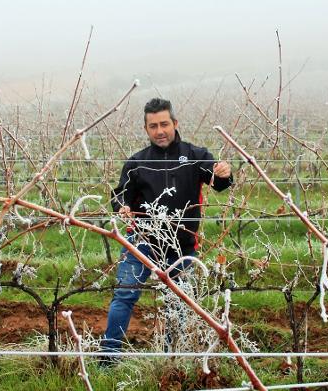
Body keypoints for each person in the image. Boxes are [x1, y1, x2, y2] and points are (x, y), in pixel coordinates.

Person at [100, 97, 233, 356]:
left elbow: (217, 181)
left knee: (179, 302)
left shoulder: (196, 155)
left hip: (181, 245)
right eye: (153, 126)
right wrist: (123, 208)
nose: (159, 131)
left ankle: (171, 355)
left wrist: (224, 173)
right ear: (146, 129)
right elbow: (120, 195)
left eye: (164, 124)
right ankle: (108, 356)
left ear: (175, 123)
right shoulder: (137, 161)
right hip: (142, 241)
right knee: (125, 295)